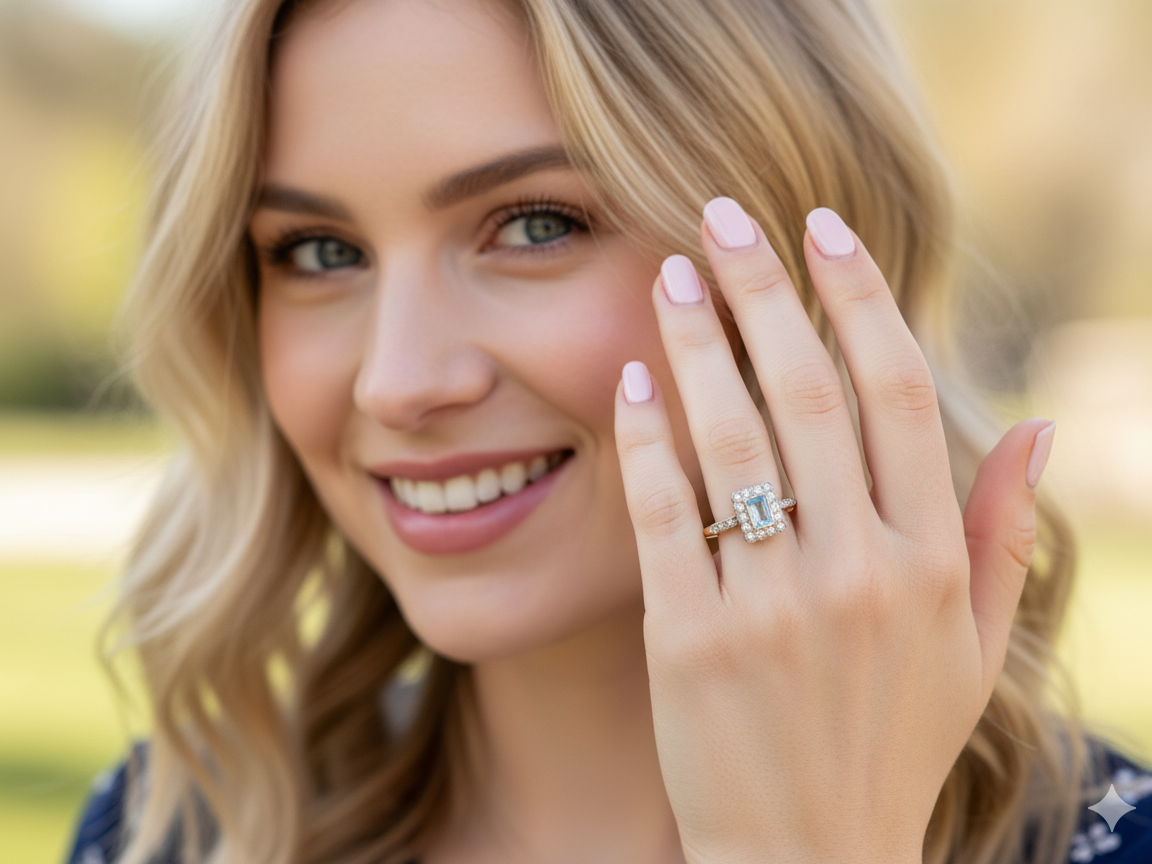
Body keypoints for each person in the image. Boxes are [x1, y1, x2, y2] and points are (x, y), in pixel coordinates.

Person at [65, 0, 1152, 862]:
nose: (397, 382)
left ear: (802, 263)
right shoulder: (169, 834)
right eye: (315, 251)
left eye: (536, 226)